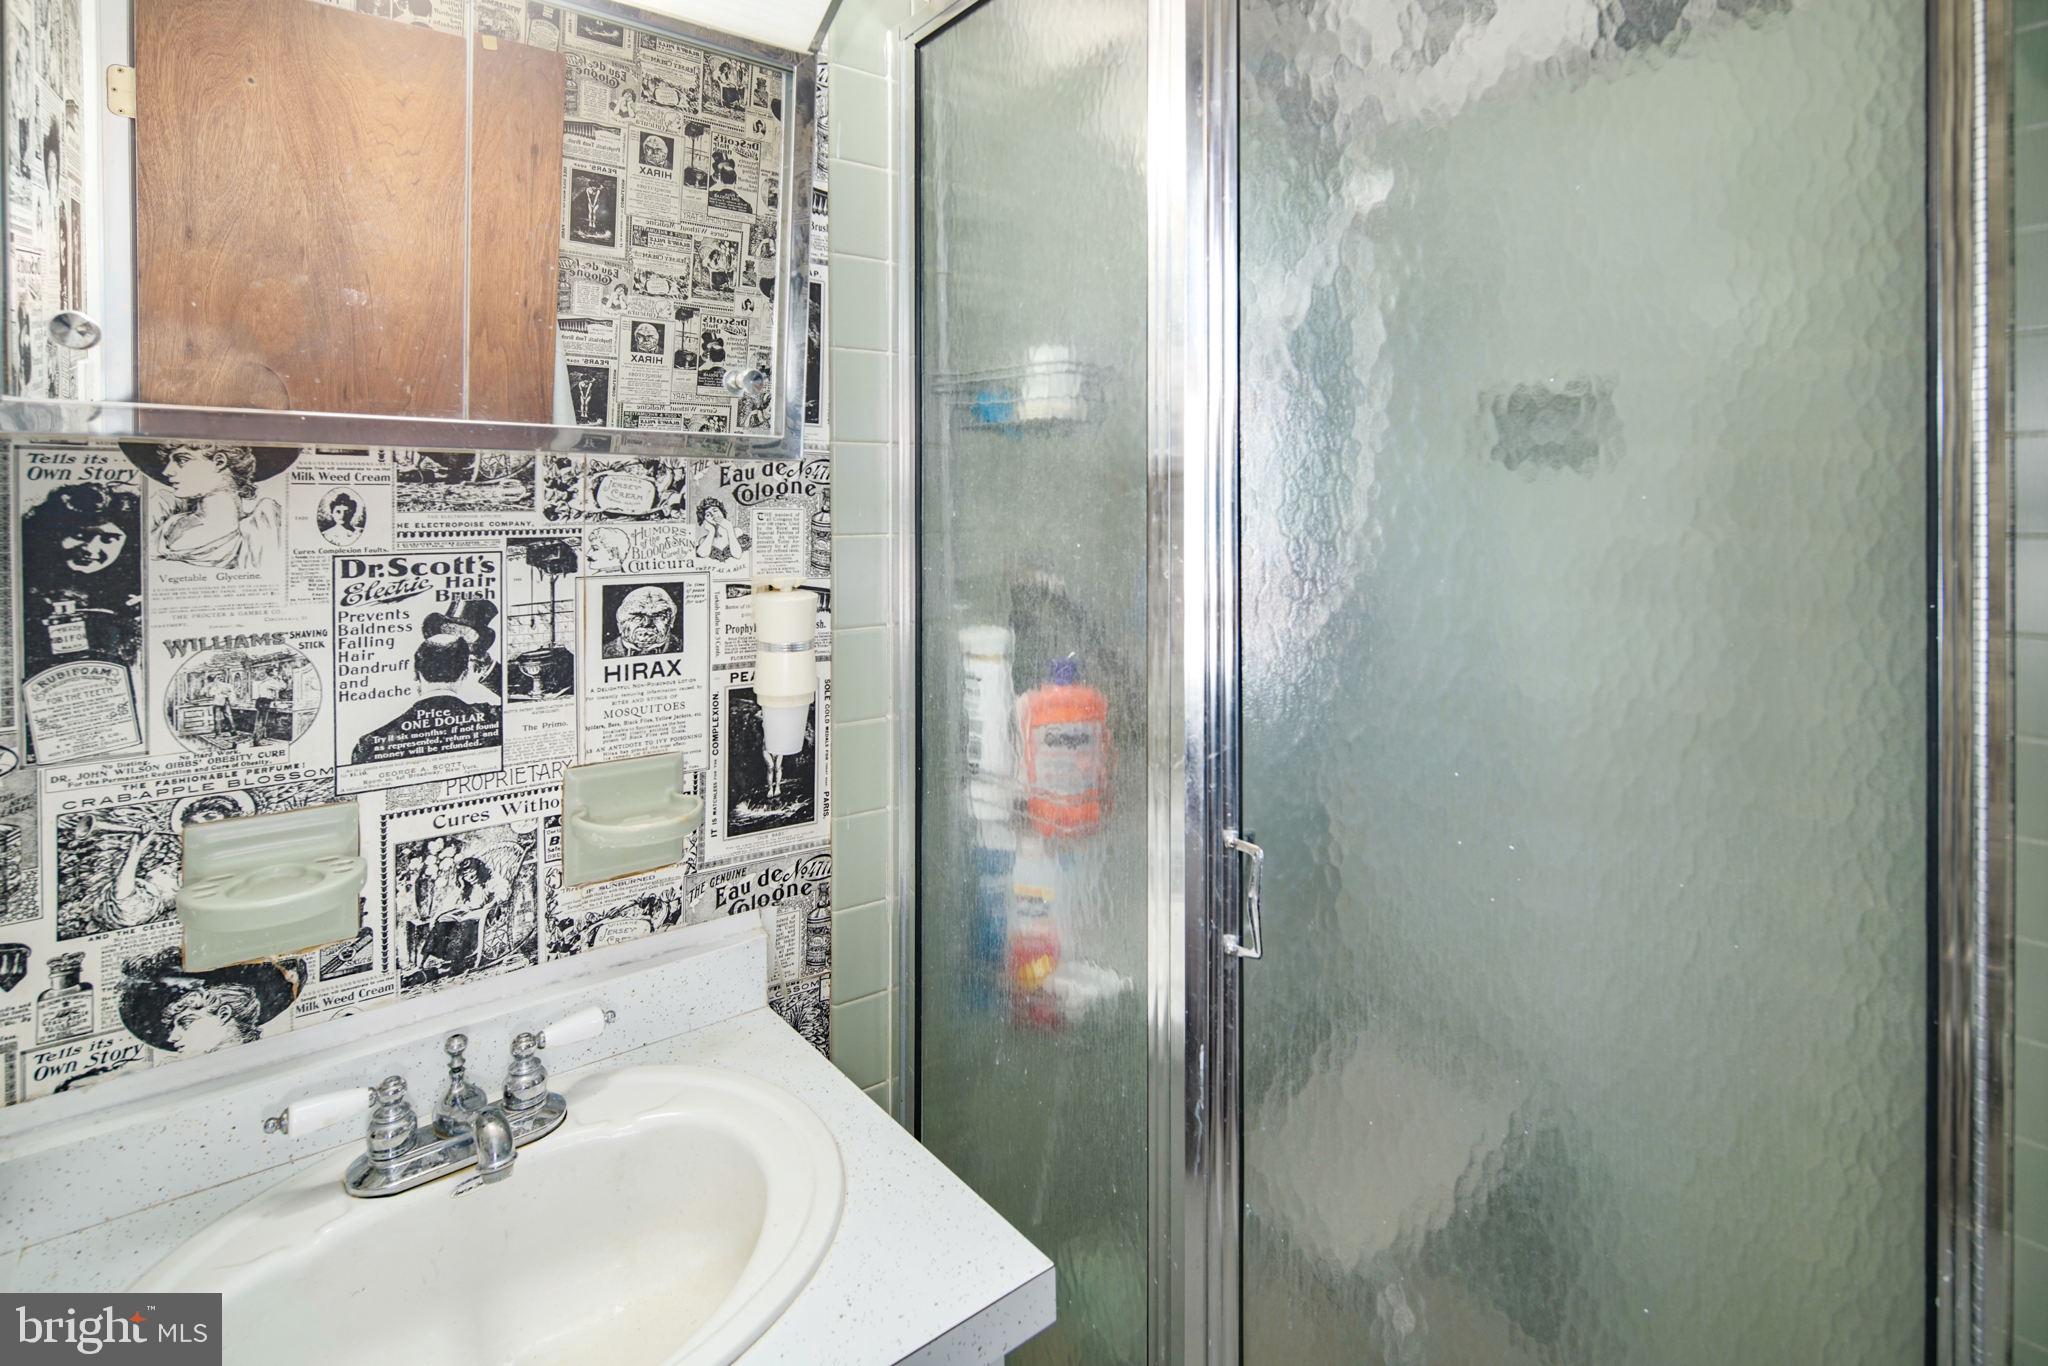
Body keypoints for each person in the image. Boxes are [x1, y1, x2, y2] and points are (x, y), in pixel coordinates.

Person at [22, 481, 142, 671]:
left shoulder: (135, 596)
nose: (90, 549)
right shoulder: (26, 590)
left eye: (108, 539)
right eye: (78, 535)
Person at [350, 634, 502, 767]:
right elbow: (517, 699)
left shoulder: (371, 744)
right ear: (465, 674)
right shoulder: (493, 720)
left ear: (416, 674)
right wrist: (487, 663)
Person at [145, 443, 283, 570]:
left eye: (181, 460)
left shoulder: (261, 527)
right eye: (168, 462)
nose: (167, 471)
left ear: (219, 462)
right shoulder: (168, 521)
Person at [602, 585, 682, 657]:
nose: (647, 623)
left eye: (658, 616)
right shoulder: (601, 653)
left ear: (671, 621)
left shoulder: (685, 648)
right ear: (621, 624)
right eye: (637, 617)